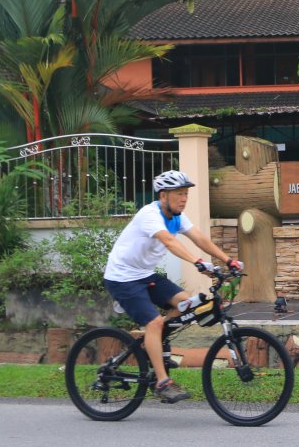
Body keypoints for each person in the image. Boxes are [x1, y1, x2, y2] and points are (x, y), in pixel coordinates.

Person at [103, 170, 242, 403]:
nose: (184, 198)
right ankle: (162, 382)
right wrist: (197, 262)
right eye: (179, 193)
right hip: (122, 278)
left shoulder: (178, 216)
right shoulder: (150, 214)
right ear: (164, 195)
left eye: (186, 193)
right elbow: (168, 241)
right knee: (154, 323)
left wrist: (228, 260)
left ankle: (153, 342)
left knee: (186, 304)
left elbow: (200, 239)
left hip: (144, 274)